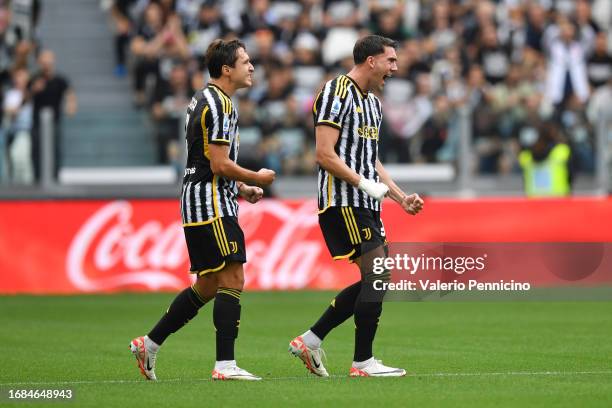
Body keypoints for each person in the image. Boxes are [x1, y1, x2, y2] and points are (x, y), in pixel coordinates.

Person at [130, 38, 275, 381]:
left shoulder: (201, 98)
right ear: (227, 70)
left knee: (210, 284)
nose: (251, 67)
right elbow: (221, 164)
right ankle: (225, 365)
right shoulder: (222, 104)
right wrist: (257, 176)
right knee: (234, 276)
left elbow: (205, 158)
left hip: (202, 197)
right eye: (245, 61)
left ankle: (149, 343)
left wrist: (241, 188)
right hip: (209, 202)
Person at [288, 35, 424, 378]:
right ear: (371, 61)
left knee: (374, 277)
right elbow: (324, 153)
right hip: (342, 199)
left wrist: (399, 195)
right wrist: (363, 184)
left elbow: (369, 160)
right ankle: (363, 362)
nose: (395, 68)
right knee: (378, 275)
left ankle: (312, 339)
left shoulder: (373, 104)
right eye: (390, 60)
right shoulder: (335, 91)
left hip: (365, 202)